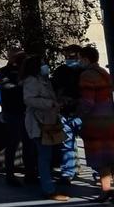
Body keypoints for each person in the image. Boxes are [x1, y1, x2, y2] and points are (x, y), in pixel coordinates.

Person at [21, 55, 69, 201]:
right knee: (44, 156)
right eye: (42, 63)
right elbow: (29, 99)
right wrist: (50, 104)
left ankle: (48, 186)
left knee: (47, 155)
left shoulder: (43, 80)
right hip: (39, 124)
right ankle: (48, 189)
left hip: (48, 121)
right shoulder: (32, 81)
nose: (45, 66)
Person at [78, 45, 114, 201]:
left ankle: (105, 190)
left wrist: (79, 113)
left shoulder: (87, 75)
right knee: (110, 154)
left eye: (80, 59)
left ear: (85, 59)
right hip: (109, 118)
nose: (79, 61)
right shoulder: (104, 73)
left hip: (95, 121)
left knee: (100, 157)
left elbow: (87, 101)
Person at [0, 51, 35, 186]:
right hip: (13, 111)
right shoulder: (5, 71)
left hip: (25, 111)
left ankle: (30, 173)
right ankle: (10, 174)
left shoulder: (26, 72)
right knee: (13, 143)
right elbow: (7, 87)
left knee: (28, 143)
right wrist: (22, 85)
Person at [51, 44, 84, 185]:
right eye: (67, 55)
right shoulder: (60, 71)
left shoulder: (84, 72)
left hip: (81, 112)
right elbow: (54, 89)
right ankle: (67, 173)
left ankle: (98, 173)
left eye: (73, 55)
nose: (69, 58)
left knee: (89, 144)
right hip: (66, 111)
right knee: (66, 144)